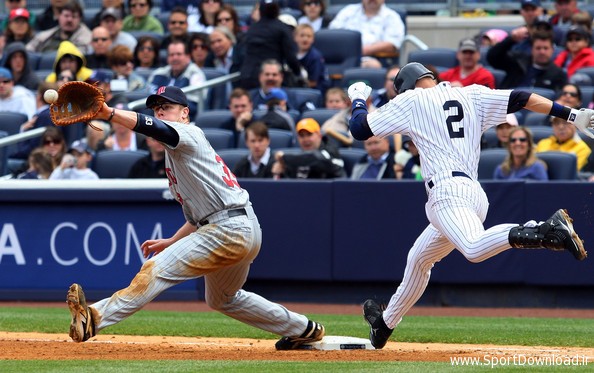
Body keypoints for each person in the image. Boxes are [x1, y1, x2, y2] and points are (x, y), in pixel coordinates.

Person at [347, 62, 588, 349]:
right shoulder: (471, 93)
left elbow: (360, 129)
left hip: (447, 192)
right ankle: (384, 326)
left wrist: (358, 98)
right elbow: (522, 98)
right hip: (473, 193)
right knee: (419, 259)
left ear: (405, 87)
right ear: (430, 77)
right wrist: (571, 114)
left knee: (473, 249)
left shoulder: (410, 99)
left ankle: (544, 231)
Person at [65, 85, 325, 350]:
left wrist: (109, 113)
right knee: (222, 299)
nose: (159, 113)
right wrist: (172, 241)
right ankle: (303, 328)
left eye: (166, 107)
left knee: (156, 269)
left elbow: (155, 128)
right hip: (237, 227)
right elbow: (197, 218)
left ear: (184, 113)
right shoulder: (174, 158)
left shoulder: (189, 133)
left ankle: (94, 318)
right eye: (156, 108)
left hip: (229, 229)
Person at [239, 0, 301, 90]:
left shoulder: (252, 29)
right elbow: (291, 57)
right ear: (277, 10)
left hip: (248, 76)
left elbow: (242, 54)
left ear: (260, 11)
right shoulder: (282, 29)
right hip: (271, 78)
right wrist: (298, 72)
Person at [329, 0, 405, 67]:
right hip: (343, 58)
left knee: (373, 65)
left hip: (372, 59)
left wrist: (362, 50)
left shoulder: (392, 17)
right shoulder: (348, 12)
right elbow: (332, 34)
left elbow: (392, 44)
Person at [487, 30, 567, 91]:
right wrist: (511, 39)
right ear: (532, 49)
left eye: (545, 48)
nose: (542, 52)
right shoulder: (518, 62)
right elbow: (493, 57)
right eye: (538, 48)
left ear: (552, 50)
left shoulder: (559, 74)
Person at [147, 39, 206, 118]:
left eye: (179, 54)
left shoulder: (195, 74)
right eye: (171, 55)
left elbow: (194, 106)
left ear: (188, 56)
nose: (175, 58)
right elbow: (147, 98)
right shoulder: (158, 74)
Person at [272, 118, 345, 179]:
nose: (305, 139)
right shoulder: (302, 157)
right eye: (302, 136)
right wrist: (282, 170)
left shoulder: (330, 150)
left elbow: (316, 158)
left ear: (319, 135)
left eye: (309, 134)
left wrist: (284, 158)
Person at [26, 1, 92, 54]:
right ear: (59, 17)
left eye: (74, 16)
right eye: (66, 16)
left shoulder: (87, 38)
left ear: (80, 19)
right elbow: (29, 49)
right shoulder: (46, 35)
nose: (69, 20)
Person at [294, 23, 329, 92]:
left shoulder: (315, 57)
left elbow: (313, 82)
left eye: (309, 36)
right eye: (302, 35)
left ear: (313, 39)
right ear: (295, 37)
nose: (305, 39)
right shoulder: (291, 53)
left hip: (314, 91)